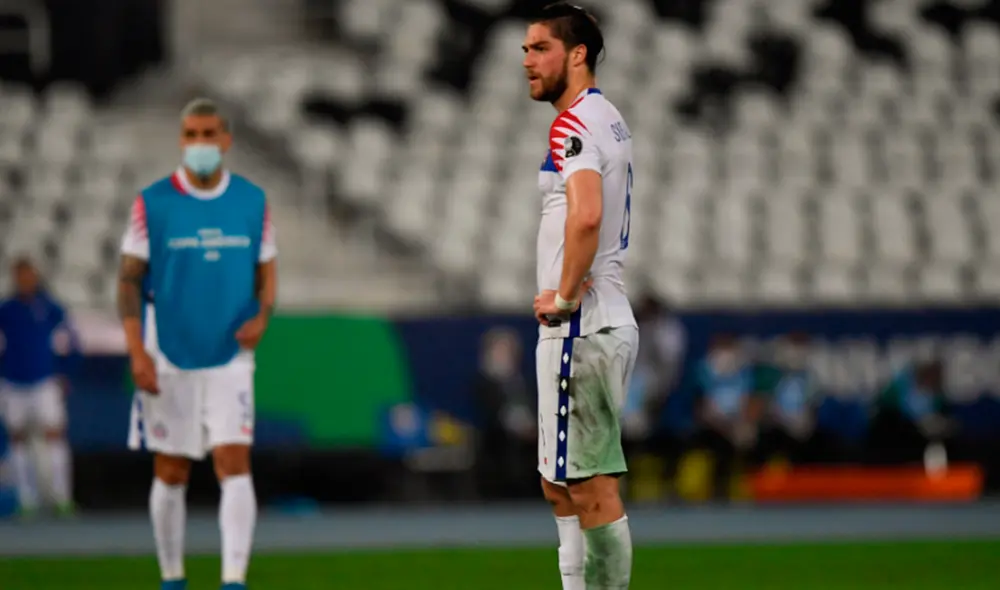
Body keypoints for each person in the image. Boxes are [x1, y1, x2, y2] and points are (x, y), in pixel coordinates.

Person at [118, 98, 277, 590]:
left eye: (209, 134)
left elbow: (266, 271)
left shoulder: (252, 201)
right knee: (172, 469)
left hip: (230, 355)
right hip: (168, 352)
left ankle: (233, 580)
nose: (200, 144)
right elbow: (128, 282)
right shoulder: (152, 203)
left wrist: (263, 316)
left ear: (226, 140)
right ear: (182, 141)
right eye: (191, 135)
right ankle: (172, 577)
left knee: (234, 460)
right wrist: (136, 350)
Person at [525, 4, 637, 588]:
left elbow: (586, 216)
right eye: (524, 50)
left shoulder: (573, 124)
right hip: (591, 324)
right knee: (559, 482)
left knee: (591, 489)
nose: (527, 61)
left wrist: (565, 296)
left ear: (577, 55)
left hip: (583, 325)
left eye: (540, 48)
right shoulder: (604, 117)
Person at [0, 257, 79, 518]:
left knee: (54, 436)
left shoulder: (50, 308)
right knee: (17, 439)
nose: (24, 281)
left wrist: (66, 373)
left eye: (28, 275)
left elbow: (70, 340)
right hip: (13, 383)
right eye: (20, 276)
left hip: (44, 381)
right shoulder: (7, 310)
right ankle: (26, 500)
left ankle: (62, 498)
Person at [689, 333, 764, 500]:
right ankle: (716, 486)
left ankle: (745, 485)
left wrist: (744, 421)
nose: (725, 353)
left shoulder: (744, 372)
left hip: (738, 423)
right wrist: (718, 423)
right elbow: (699, 406)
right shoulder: (703, 370)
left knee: (748, 437)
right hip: (712, 424)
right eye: (721, 347)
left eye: (728, 347)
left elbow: (752, 402)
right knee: (718, 442)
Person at [471, 327, 536, 499]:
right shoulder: (484, 382)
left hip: (530, 431)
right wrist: (519, 428)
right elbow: (493, 412)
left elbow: (531, 406)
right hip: (498, 436)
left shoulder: (523, 381)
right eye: (500, 351)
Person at [869, 359, 957, 466]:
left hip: (921, 440)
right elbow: (887, 413)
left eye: (937, 376)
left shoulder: (937, 396)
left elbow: (941, 417)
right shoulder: (899, 387)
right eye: (931, 374)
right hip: (895, 436)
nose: (934, 378)